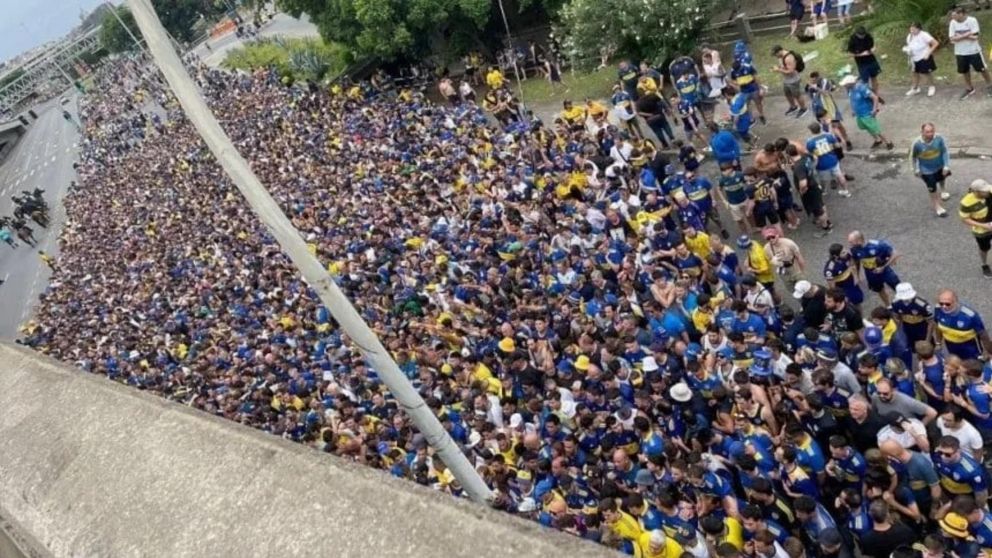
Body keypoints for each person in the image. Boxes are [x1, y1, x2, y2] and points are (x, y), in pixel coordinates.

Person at [786, 143, 832, 235]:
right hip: (814, 184)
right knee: (821, 204)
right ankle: (827, 222)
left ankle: (825, 227)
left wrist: (802, 191)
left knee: (818, 210)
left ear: (788, 155)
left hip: (809, 190)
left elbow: (803, 183)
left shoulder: (798, 167)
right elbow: (815, 158)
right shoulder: (805, 156)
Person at [933, 289, 991, 360]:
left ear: (955, 302)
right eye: (941, 303)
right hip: (950, 344)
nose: (944, 306)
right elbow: (937, 326)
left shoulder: (970, 315)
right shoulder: (938, 309)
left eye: (948, 304)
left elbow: (983, 334)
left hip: (969, 346)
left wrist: (987, 351)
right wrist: (938, 342)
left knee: (973, 367)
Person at [948, 6, 992, 100]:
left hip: (973, 50)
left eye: (955, 16)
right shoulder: (953, 22)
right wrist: (967, 34)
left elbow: (975, 37)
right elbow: (952, 38)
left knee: (982, 69)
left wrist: (959, 36)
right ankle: (969, 88)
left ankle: (990, 85)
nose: (953, 18)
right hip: (960, 52)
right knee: (964, 70)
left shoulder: (972, 20)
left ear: (961, 14)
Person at [840, 75, 892, 151]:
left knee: (875, 128)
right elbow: (852, 100)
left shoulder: (861, 88)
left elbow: (875, 97)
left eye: (845, 85)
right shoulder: (850, 90)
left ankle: (888, 142)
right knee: (867, 127)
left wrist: (874, 109)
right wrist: (854, 110)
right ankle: (877, 140)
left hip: (867, 113)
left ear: (850, 84)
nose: (844, 86)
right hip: (859, 114)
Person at [846, 231, 900, 306]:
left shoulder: (878, 245)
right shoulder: (854, 249)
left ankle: (903, 305)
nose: (850, 245)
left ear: (859, 240)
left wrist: (883, 267)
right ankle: (888, 305)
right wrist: (857, 275)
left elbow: (895, 254)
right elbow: (856, 261)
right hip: (871, 275)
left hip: (885, 272)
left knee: (898, 288)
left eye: (851, 242)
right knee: (880, 290)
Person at [910, 123, 952, 217]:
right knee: (932, 188)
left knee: (942, 178)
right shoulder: (916, 143)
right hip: (926, 170)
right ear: (922, 132)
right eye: (927, 132)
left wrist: (946, 165)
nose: (930, 134)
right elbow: (912, 157)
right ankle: (937, 207)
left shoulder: (939, 138)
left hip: (939, 165)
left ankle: (943, 191)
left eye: (932, 131)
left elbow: (945, 151)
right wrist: (915, 169)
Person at [805, 122, 851, 198]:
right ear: (820, 128)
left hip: (821, 164)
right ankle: (846, 191)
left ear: (811, 131)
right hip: (833, 160)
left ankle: (824, 191)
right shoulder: (829, 136)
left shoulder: (810, 142)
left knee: (823, 179)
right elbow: (837, 145)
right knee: (840, 175)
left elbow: (809, 154)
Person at [958, 178, 992, 278]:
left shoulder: (990, 191)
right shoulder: (966, 203)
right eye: (984, 191)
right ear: (976, 192)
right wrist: (984, 226)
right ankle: (984, 265)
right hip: (981, 230)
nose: (988, 192)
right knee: (984, 248)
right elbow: (965, 219)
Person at [903, 23, 940, 97]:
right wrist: (907, 50)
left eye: (914, 29)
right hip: (914, 57)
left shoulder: (924, 35)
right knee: (914, 73)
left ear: (919, 29)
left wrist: (928, 53)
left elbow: (935, 43)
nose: (912, 31)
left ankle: (931, 87)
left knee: (926, 73)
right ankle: (915, 88)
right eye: (911, 29)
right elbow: (910, 45)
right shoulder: (910, 36)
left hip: (923, 56)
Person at [771, 46, 808, 118]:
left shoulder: (789, 58)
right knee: (787, 94)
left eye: (776, 54)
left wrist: (778, 70)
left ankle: (803, 109)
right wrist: (778, 68)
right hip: (786, 80)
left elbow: (791, 71)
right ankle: (793, 107)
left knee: (797, 95)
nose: (775, 56)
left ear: (779, 51)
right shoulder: (780, 57)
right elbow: (783, 67)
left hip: (793, 80)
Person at [846, 26, 883, 94]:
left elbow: (873, 46)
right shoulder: (852, 40)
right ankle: (867, 94)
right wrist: (861, 54)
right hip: (861, 63)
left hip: (871, 59)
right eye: (860, 35)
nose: (862, 36)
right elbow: (849, 54)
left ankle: (876, 94)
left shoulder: (868, 36)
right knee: (865, 80)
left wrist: (872, 50)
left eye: (863, 35)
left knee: (874, 77)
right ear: (857, 34)